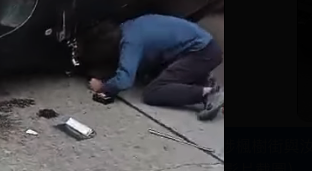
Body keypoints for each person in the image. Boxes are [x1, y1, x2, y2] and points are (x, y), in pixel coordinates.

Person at [85, 14, 224, 121]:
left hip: (202, 53)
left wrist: (103, 87)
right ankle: (204, 82)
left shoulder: (130, 42)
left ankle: (208, 93)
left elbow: (124, 80)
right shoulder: (128, 27)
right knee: (152, 76)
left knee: (153, 92)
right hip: (202, 47)